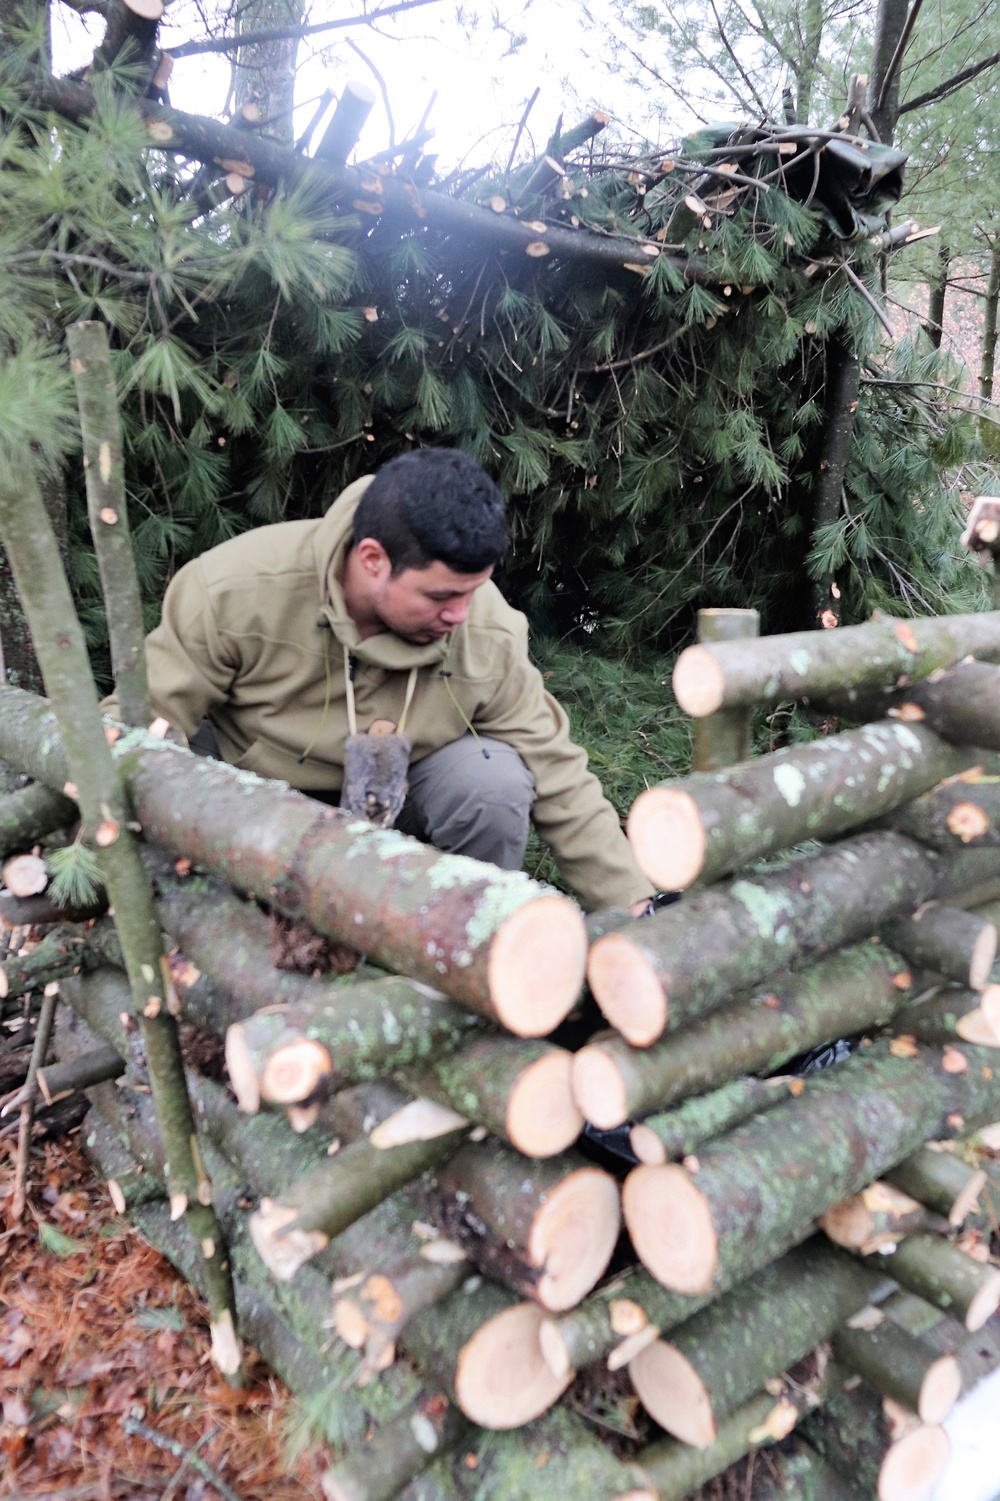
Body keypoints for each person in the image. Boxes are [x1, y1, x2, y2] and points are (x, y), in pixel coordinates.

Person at [136, 447, 655, 915]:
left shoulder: (485, 629)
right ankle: (210, 928)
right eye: (441, 597)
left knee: (494, 781)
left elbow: (558, 772)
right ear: (372, 560)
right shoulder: (235, 589)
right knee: (172, 749)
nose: (460, 615)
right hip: (253, 805)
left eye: (472, 593)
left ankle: (459, 950)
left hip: (396, 809)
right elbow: (144, 721)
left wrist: (632, 903)